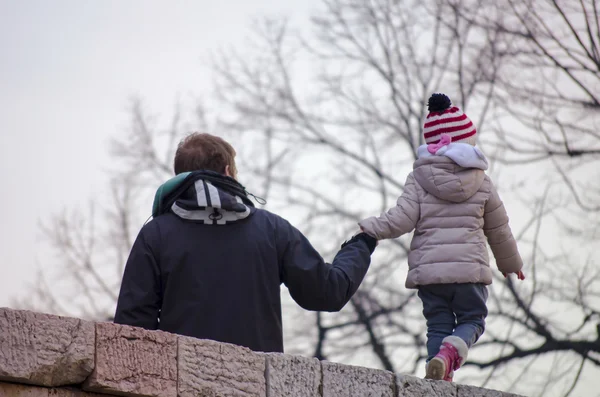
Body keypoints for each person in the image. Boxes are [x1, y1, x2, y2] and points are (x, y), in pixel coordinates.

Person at [113, 132, 377, 353]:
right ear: (228, 172)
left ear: (180, 176)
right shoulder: (272, 230)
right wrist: (362, 243)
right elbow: (328, 292)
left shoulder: (155, 234)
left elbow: (132, 330)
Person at [358, 93, 525, 382]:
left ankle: (439, 377)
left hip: (431, 274)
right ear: (467, 142)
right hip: (468, 272)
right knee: (472, 320)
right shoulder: (482, 182)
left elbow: (401, 219)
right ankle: (449, 356)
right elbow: (499, 228)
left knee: (437, 325)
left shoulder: (419, 179)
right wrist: (510, 262)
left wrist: (370, 227)